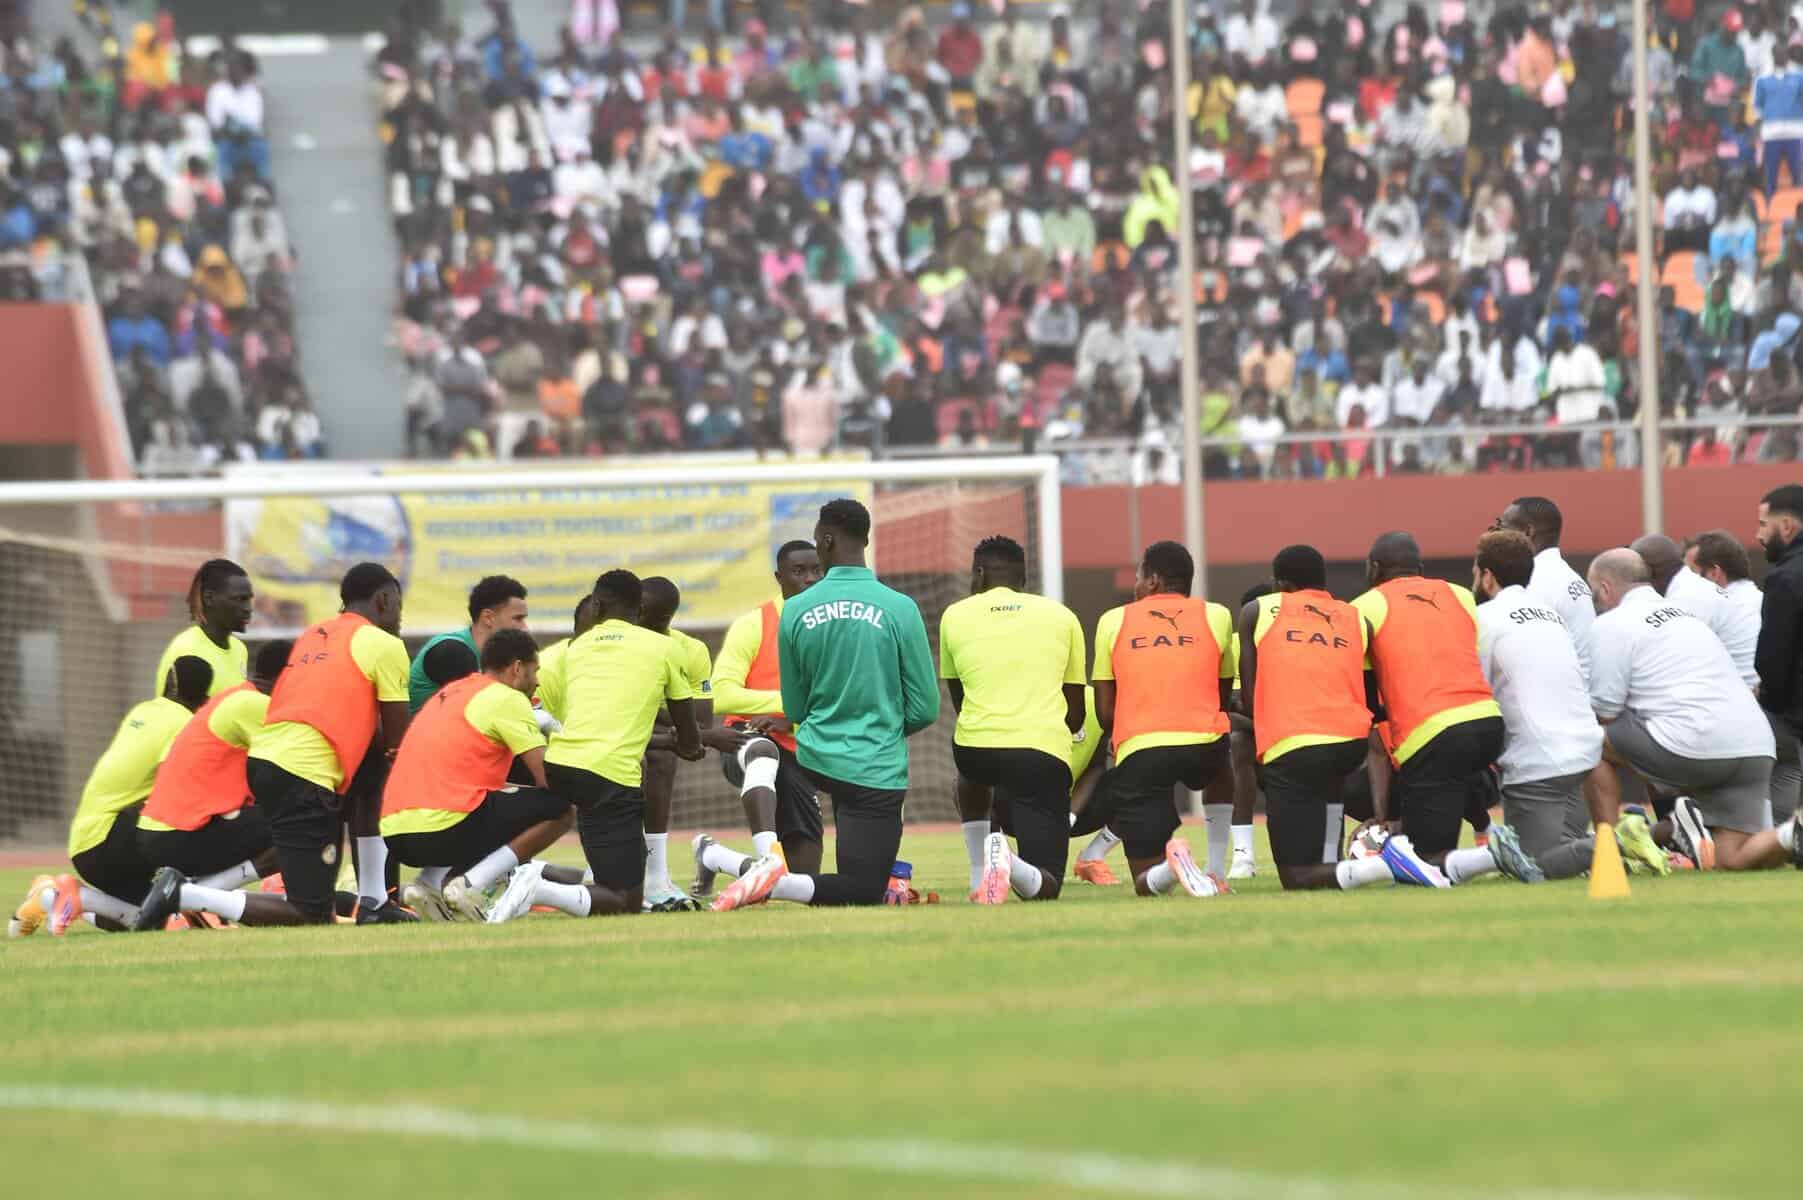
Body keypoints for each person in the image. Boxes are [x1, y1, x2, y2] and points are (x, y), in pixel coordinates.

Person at [711, 499, 939, 911]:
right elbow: (925, 707)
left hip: (814, 758)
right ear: (866, 539)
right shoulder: (901, 608)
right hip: (873, 763)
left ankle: (758, 868)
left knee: (783, 785)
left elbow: (796, 708)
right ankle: (773, 879)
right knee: (863, 889)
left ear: (827, 540)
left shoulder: (795, 610)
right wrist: (880, 725)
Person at [486, 570, 704, 922]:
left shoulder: (578, 647)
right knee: (626, 901)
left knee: (607, 882)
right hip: (609, 777)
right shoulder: (666, 648)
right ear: (640, 608)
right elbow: (690, 733)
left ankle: (509, 871)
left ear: (598, 604)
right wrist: (690, 746)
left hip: (560, 765)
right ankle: (535, 884)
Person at [1586, 549, 1798, 871]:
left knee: (1586, 739)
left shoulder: (1610, 625)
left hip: (1693, 745)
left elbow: (1606, 711)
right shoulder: (1686, 615)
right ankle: (1791, 834)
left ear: (1604, 586)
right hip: (1755, 744)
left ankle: (1607, 853)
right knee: (1732, 858)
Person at [1470, 532, 1667, 880]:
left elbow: (1478, 694)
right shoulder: (1550, 615)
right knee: (1566, 851)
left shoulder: (1485, 619)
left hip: (1538, 763)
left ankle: (1622, 840)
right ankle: (1610, 844)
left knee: (1531, 865)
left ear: (1487, 576)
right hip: (1583, 757)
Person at [245, 563, 414, 925]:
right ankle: (187, 894)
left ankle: (373, 900)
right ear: (383, 601)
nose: (400, 615)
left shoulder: (312, 633)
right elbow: (397, 743)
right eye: (399, 605)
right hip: (303, 774)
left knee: (372, 773)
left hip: (263, 761)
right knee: (310, 913)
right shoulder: (385, 644)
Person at [364, 628, 570, 922]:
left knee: (492, 800)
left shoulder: (449, 693)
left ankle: (428, 886)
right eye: (535, 671)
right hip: (441, 830)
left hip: (394, 835)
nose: (537, 682)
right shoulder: (507, 698)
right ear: (517, 668)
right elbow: (547, 779)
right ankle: (472, 885)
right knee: (561, 807)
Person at [9, 657, 213, 937]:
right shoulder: (185, 724)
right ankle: (211, 904)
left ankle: (49, 897)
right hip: (110, 839)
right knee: (200, 833)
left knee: (149, 921)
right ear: (205, 698)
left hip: (87, 842)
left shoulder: (143, 710)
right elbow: (177, 790)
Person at [1081, 541, 1235, 900]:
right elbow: (1221, 691)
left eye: (1137, 577)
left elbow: (1106, 711)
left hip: (1141, 749)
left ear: (1152, 580)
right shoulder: (1217, 615)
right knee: (1224, 758)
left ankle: (1170, 866)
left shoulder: (1112, 620)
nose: (1135, 585)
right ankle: (1215, 869)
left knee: (1144, 883)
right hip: (1202, 744)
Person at [1236, 545, 1394, 891]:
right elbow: (1371, 696)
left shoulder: (1256, 610)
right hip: (1350, 744)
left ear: (1280, 584)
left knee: (1296, 876)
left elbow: (1250, 700)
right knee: (1328, 785)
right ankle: (1341, 863)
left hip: (1293, 744)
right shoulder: (1356, 617)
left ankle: (1382, 867)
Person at [1352, 532, 1505, 886]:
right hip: (1487, 722)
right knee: (1437, 832)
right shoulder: (1461, 594)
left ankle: (1494, 854)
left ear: (1374, 568)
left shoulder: (1364, 606)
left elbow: (1368, 697)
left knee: (1422, 861)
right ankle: (1488, 836)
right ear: (1419, 569)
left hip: (1432, 733)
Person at [939, 535, 1086, 903]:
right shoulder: (1063, 616)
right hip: (1041, 755)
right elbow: (1077, 711)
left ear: (978, 573)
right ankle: (1007, 860)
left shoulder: (954, 615)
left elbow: (961, 701)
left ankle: (980, 870)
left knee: (970, 767)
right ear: (1024, 579)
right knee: (1045, 885)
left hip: (977, 752)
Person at [128, 640, 295, 928]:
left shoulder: (236, 696)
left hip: (159, 831)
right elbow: (296, 767)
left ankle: (193, 895)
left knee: (285, 814)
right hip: (177, 833)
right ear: (288, 675)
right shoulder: (256, 705)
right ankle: (195, 896)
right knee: (302, 822)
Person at [693, 541, 827, 894]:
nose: (810, 579)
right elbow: (721, 693)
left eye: (817, 570)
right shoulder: (754, 624)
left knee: (802, 881)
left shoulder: (833, 628)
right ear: (779, 577)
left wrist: (793, 716)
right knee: (764, 754)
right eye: (799, 572)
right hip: (747, 739)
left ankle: (717, 857)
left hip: (803, 746)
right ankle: (765, 858)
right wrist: (789, 703)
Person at [636, 576, 742, 910]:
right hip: (603, 740)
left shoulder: (689, 650)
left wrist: (657, 713)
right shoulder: (615, 646)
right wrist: (690, 730)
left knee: (661, 756)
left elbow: (699, 722)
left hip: (647, 741)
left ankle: (654, 877)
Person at [1754, 485, 1803, 832]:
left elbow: (1772, 659)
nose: (1757, 535)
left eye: (1762, 524)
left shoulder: (1786, 577)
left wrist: (1766, 695)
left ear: (1786, 526)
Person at [408, 575, 530, 712]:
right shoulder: (452, 651)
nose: (525, 628)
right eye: (518, 619)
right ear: (488, 618)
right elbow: (483, 715)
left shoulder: (495, 661)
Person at [153, 559, 254, 698]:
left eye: (249, 599)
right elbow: (172, 714)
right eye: (240, 599)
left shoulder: (240, 649)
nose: (249, 608)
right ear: (209, 598)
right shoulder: (186, 650)